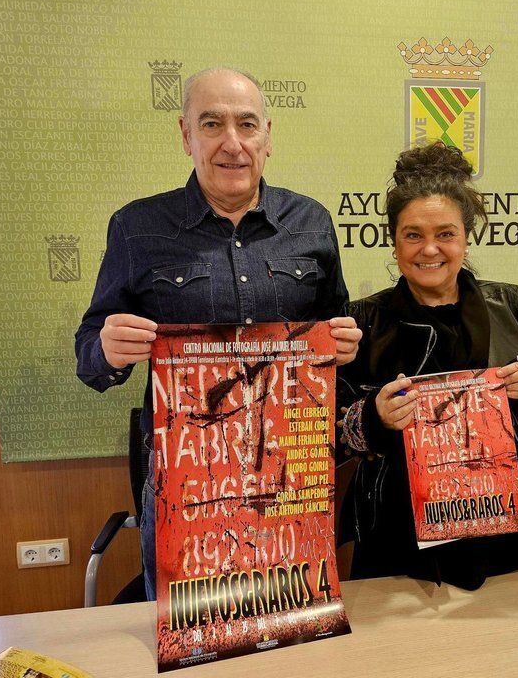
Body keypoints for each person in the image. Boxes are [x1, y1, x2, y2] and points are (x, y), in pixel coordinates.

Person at [74, 67, 361, 599]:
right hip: (187, 483)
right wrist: (107, 351)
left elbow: (333, 331)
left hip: (290, 476)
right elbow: (88, 358)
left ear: (267, 136)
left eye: (247, 124)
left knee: (291, 616)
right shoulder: (136, 228)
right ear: (186, 135)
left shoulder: (312, 222)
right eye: (212, 124)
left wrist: (343, 345)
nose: (233, 143)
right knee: (195, 625)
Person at [337, 142, 518, 591]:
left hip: (509, 528)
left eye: (445, 234)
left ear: (466, 239)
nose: (429, 249)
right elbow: (332, 437)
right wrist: (374, 418)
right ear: (393, 242)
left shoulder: (509, 303)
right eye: (413, 235)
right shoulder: (363, 319)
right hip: (400, 537)